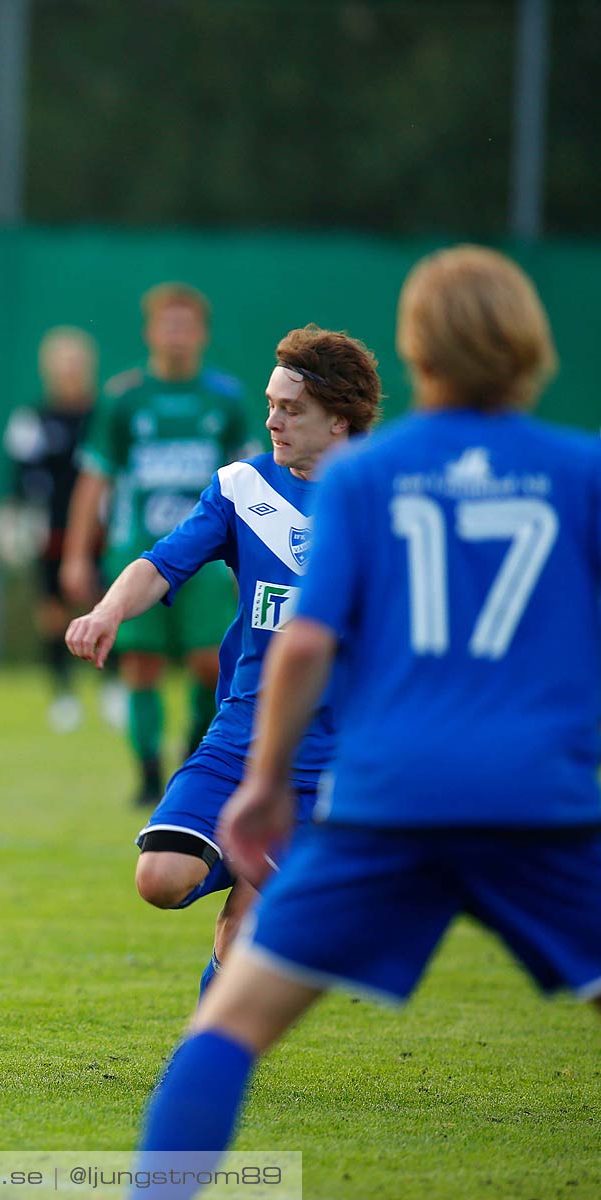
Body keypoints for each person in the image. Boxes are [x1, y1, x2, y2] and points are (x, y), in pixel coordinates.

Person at [132, 246, 601, 1197]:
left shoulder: (367, 478)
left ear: (421, 352)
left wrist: (263, 786)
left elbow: (305, 644)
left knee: (228, 1026)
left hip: (390, 791)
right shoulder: (580, 473)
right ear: (530, 346)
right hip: (536, 793)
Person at [66, 325, 382, 1000]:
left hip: (332, 751)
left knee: (258, 924)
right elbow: (159, 562)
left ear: (341, 419)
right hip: (241, 730)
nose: (272, 418)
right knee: (160, 878)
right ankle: (251, 859)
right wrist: (107, 612)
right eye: (271, 402)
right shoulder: (243, 487)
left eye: (292, 408)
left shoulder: (386, 501)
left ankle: (210, 1054)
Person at [61, 284, 251, 806]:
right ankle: (147, 773)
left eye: (186, 324)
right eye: (167, 324)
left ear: (203, 334)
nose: (177, 335)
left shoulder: (226, 399)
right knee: (140, 664)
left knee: (211, 662)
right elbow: (94, 479)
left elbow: (252, 481)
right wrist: (78, 554)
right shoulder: (124, 398)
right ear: (150, 332)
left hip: (207, 562)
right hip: (137, 551)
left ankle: (193, 759)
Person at [0, 326, 103, 733]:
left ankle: (113, 684)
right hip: (50, 529)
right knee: (53, 612)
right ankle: (63, 692)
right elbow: (19, 475)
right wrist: (14, 514)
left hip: (100, 527)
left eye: (76, 364)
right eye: (62, 365)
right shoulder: (32, 419)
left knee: (105, 601)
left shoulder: (103, 417)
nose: (70, 373)